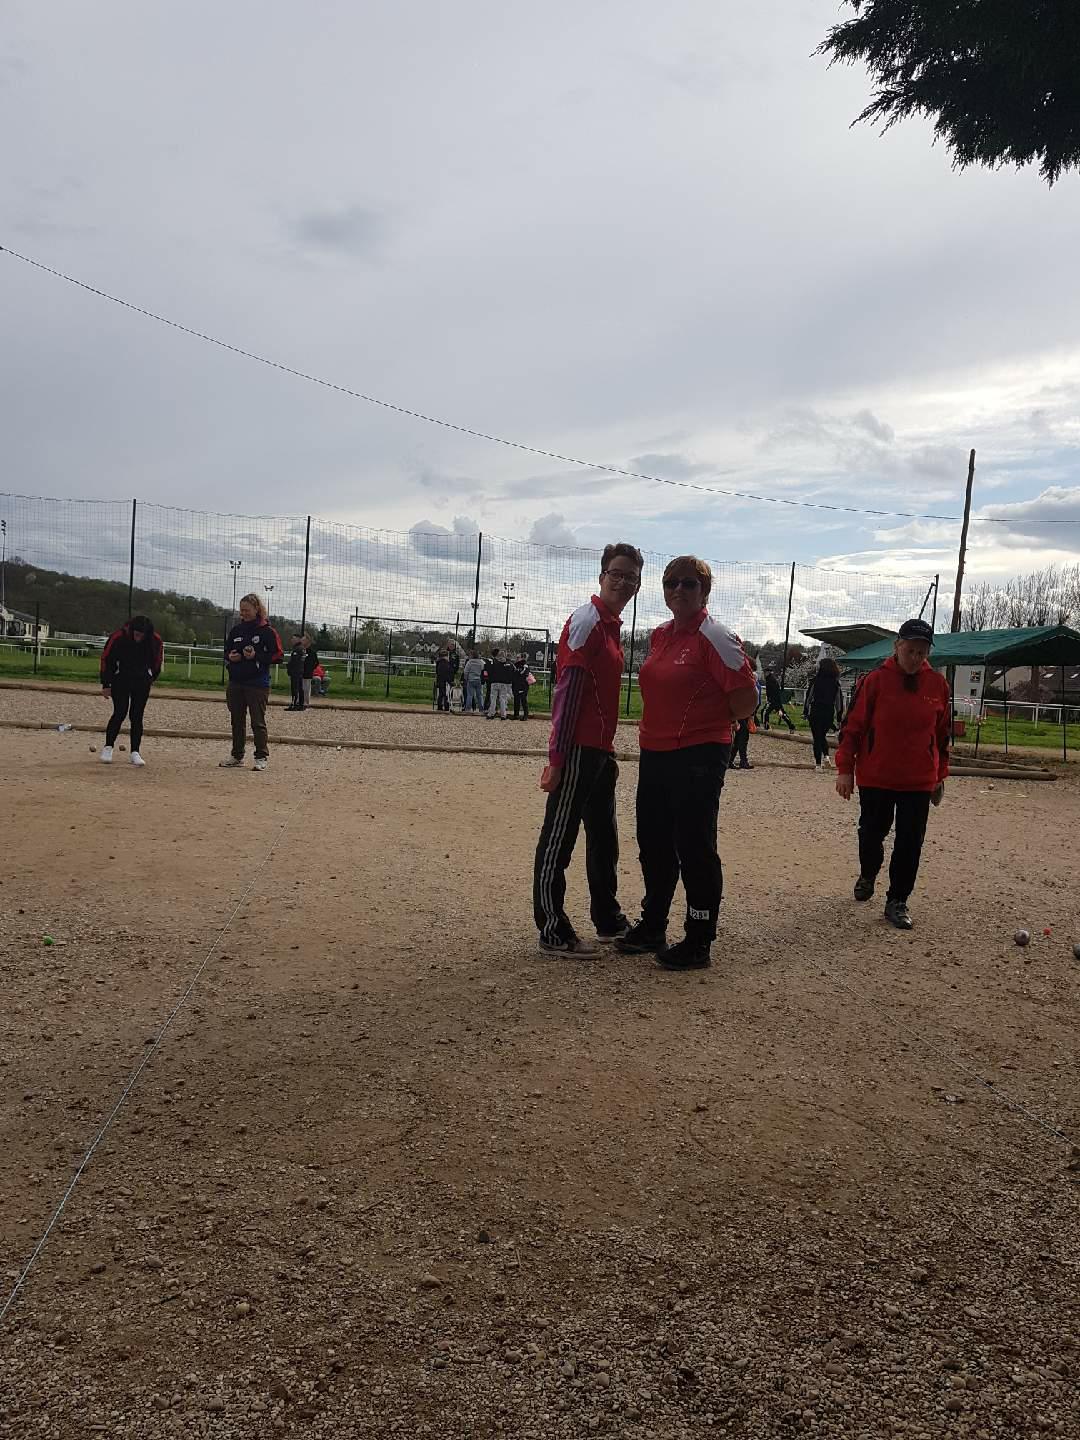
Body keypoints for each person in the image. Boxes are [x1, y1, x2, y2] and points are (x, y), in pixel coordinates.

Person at [618, 556, 758, 971]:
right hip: (655, 750)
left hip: (698, 752)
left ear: (705, 591)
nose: (679, 590)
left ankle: (699, 939)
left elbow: (746, 699)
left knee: (695, 845)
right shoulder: (661, 635)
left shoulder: (715, 636)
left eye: (689, 584)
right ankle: (654, 923)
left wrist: (714, 722)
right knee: (654, 841)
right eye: (671, 583)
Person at [533, 542, 643, 956]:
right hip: (579, 748)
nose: (623, 581)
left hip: (600, 750)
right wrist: (557, 758)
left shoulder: (610, 624)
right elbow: (568, 691)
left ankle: (607, 917)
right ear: (601, 575)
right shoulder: (587, 621)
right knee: (559, 837)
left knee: (604, 837)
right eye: (616, 573)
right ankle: (552, 928)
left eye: (631, 576)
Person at [834, 617, 950, 931]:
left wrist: (940, 773)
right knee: (871, 833)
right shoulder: (874, 681)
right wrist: (845, 769)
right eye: (910, 650)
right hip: (877, 776)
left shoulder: (938, 685)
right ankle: (868, 872)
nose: (915, 658)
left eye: (922, 652)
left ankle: (897, 899)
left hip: (918, 779)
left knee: (911, 842)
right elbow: (852, 727)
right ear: (896, 646)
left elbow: (942, 735)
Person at [220, 593, 283, 771]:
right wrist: (231, 656)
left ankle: (261, 756)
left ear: (257, 609)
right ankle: (237, 755)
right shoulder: (236, 630)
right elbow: (227, 650)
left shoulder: (267, 631)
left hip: (257, 683)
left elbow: (278, 656)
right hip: (236, 681)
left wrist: (257, 656)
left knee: (257, 721)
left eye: (247, 610)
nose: (244, 614)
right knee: (236, 720)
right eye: (241, 610)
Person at [99, 614, 163, 767]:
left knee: (137, 715)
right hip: (121, 679)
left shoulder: (155, 640)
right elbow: (106, 659)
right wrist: (106, 684)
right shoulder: (119, 637)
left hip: (142, 681)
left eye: (142, 635)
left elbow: (157, 661)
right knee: (120, 712)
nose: (138, 638)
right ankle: (108, 747)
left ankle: (135, 752)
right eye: (136, 634)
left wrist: (150, 678)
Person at [804, 657, 844, 770]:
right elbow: (839, 702)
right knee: (822, 735)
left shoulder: (815, 680)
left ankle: (818, 764)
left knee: (817, 737)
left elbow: (809, 696)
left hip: (816, 710)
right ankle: (826, 756)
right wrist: (839, 717)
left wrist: (805, 710)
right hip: (829, 712)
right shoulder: (836, 683)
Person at [486, 648, 515, 720]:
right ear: (505, 656)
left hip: (494, 682)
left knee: (493, 698)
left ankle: (491, 713)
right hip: (504, 683)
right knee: (503, 699)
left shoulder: (494, 663)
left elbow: (490, 671)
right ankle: (503, 715)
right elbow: (511, 674)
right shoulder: (508, 664)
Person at [286, 636, 306, 711]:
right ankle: (301, 704)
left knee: (295, 688)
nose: (292, 640)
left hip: (295, 671)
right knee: (300, 688)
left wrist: (289, 668)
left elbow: (294, 661)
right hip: (300, 670)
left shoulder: (297, 649)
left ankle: (294, 704)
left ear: (298, 639)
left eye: (293, 638)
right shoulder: (302, 648)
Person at [462, 650, 485, 714]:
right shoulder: (481, 662)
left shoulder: (469, 662)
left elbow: (465, 671)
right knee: (480, 695)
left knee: (470, 695)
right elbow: (483, 669)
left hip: (470, 680)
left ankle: (468, 709)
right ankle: (481, 709)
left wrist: (466, 678)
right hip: (478, 679)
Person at [512, 655, 533, 720]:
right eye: (517, 657)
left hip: (523, 685)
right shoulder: (515, 665)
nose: (517, 659)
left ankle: (525, 715)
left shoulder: (525, 666)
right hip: (516, 684)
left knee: (523, 700)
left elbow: (524, 673)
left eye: (519, 658)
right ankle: (516, 715)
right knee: (516, 700)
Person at [301, 636, 320, 709]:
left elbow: (316, 662)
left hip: (308, 673)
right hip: (300, 672)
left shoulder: (312, 652)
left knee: (306, 688)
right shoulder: (300, 650)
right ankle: (300, 701)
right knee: (300, 687)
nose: (302, 642)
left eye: (303, 640)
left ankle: (306, 702)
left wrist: (311, 668)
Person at [434, 648, 453, 712]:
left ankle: (439, 706)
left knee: (441, 694)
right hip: (445, 681)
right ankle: (446, 706)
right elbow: (448, 672)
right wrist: (449, 680)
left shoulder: (439, 663)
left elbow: (437, 672)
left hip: (440, 680)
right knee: (446, 694)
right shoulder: (445, 663)